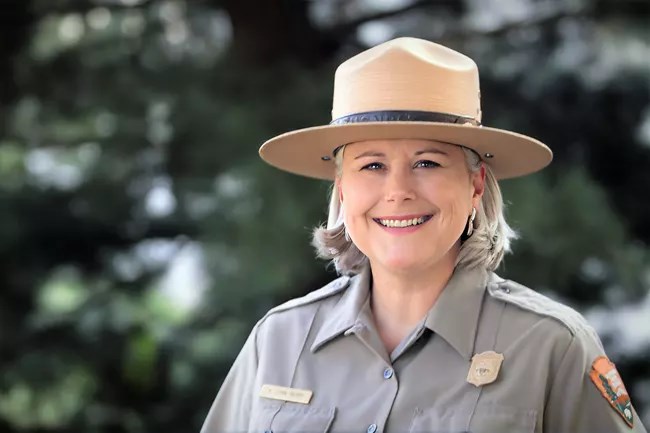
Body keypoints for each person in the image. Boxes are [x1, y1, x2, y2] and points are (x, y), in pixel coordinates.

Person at [200, 37, 647, 433]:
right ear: (342, 189)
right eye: (371, 166)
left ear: (474, 184)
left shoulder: (550, 346)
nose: (397, 192)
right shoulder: (278, 340)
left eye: (427, 163)